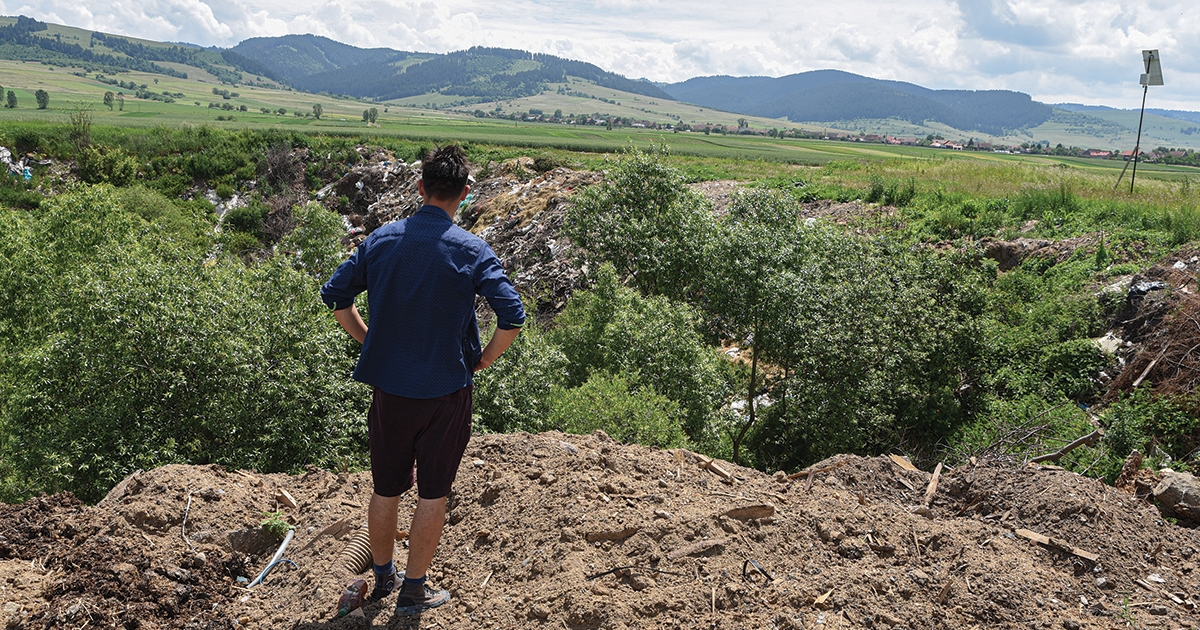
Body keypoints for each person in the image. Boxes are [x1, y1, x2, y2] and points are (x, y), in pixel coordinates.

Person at [320, 145, 525, 615]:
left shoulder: (380, 241)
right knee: (434, 492)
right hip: (446, 394)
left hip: (390, 390)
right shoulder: (472, 250)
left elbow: (336, 296)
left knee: (385, 487)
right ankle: (415, 591)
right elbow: (512, 317)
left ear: (420, 188)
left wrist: (369, 341)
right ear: (466, 194)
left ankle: (382, 576)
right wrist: (483, 361)